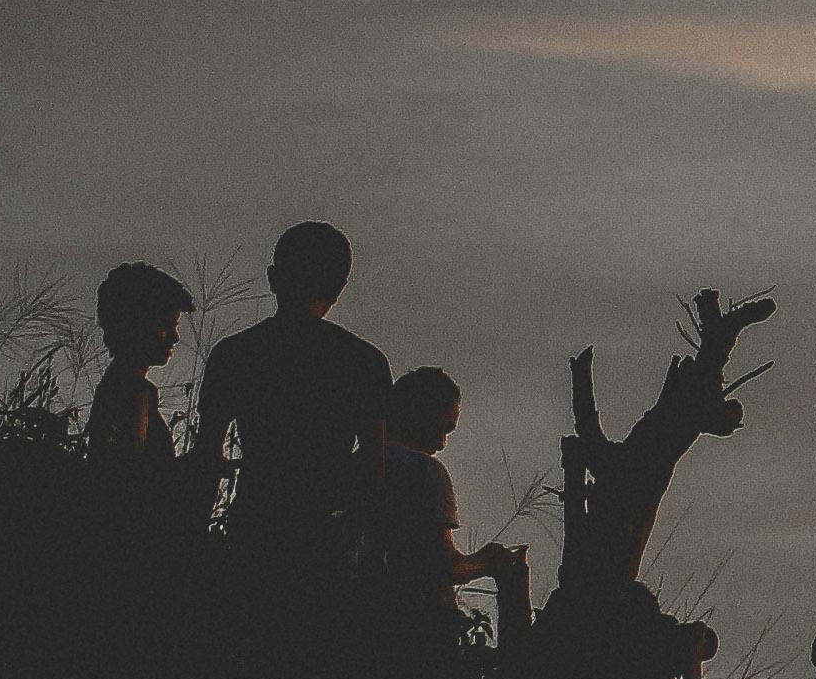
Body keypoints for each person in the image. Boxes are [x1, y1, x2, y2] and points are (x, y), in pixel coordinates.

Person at [190, 223, 391, 575]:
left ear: (273, 278)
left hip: (254, 531)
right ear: (338, 288)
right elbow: (375, 467)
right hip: (328, 542)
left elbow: (207, 459)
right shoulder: (363, 362)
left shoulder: (235, 355)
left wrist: (191, 542)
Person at [362, 369, 516, 640]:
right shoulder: (423, 470)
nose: (443, 443)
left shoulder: (355, 466)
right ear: (423, 415)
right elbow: (446, 568)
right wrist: (491, 560)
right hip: (415, 638)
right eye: (444, 428)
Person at [86, 264, 195, 490]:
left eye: (174, 325)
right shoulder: (133, 392)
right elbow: (131, 480)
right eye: (164, 325)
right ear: (133, 322)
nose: (175, 337)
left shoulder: (115, 386)